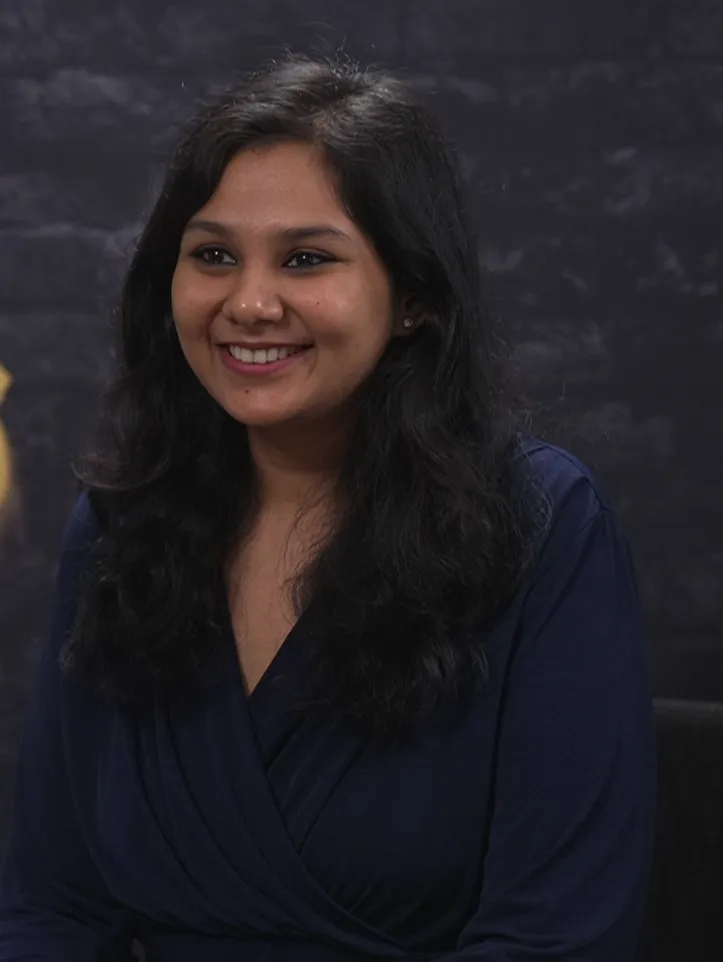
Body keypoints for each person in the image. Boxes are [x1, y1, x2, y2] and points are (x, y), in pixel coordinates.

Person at [0, 52, 656, 961]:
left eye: (306, 259)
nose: (250, 302)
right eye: (213, 255)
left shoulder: (543, 523)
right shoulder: (119, 526)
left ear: (414, 300)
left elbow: (556, 936)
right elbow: (48, 907)